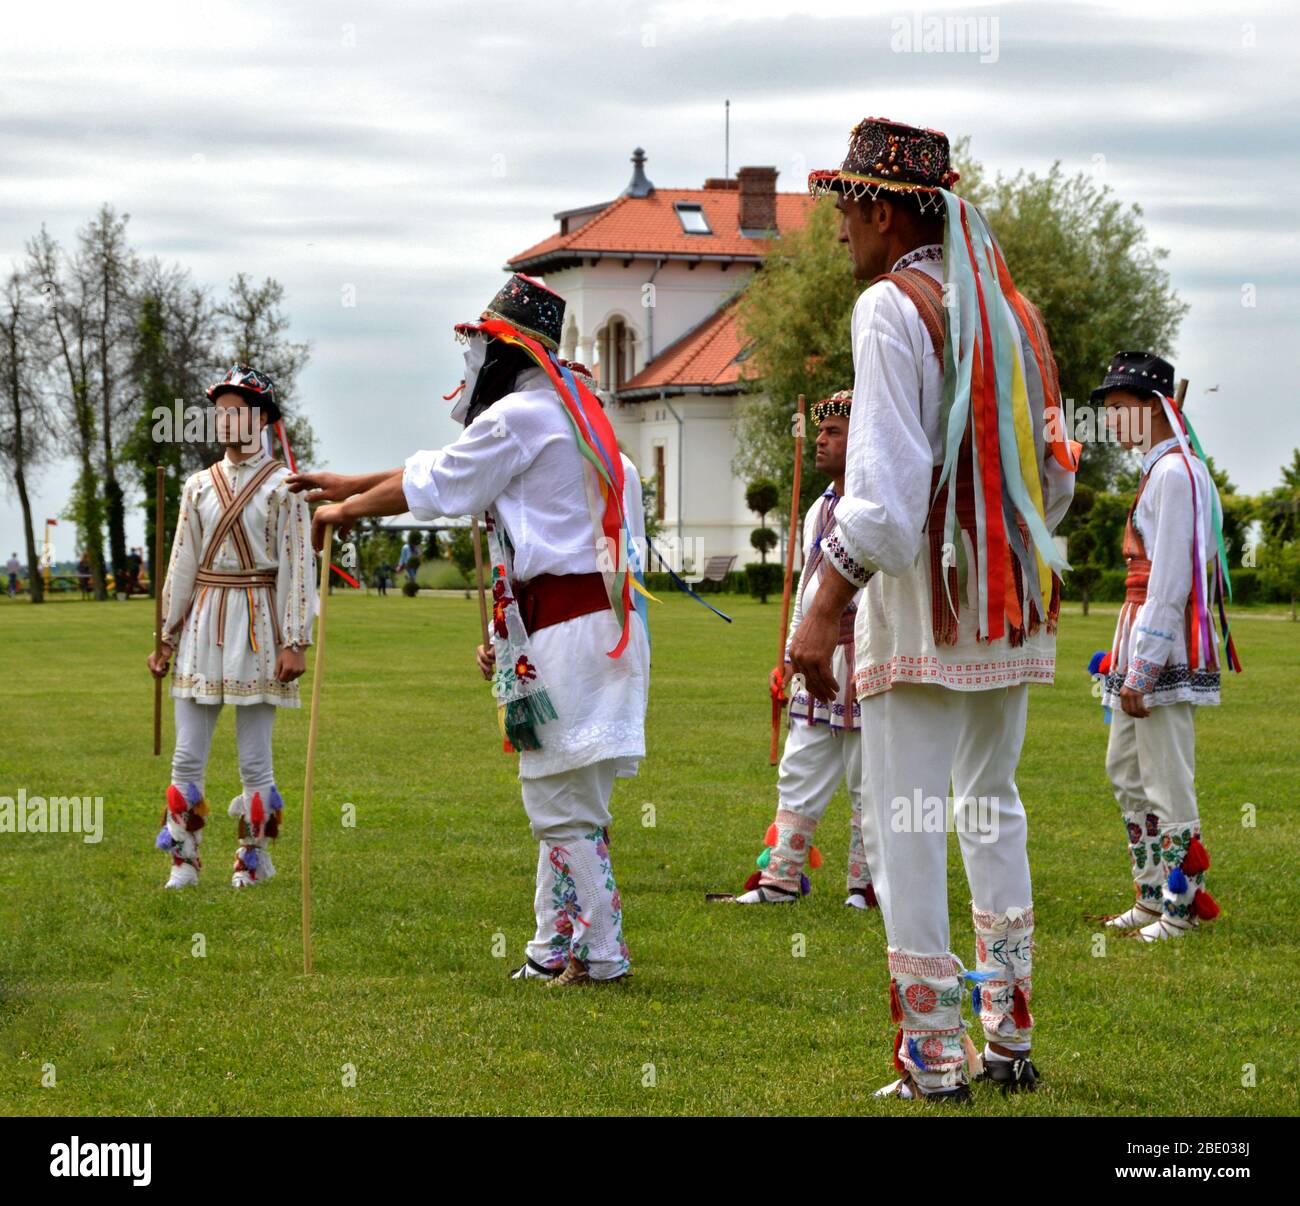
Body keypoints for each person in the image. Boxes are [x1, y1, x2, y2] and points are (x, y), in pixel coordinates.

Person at [790, 117, 1077, 1100]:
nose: (837, 234)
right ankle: (1009, 1033)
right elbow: (1057, 476)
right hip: (1008, 605)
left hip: (919, 607)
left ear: (878, 209)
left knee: (906, 819)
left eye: (842, 210)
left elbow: (882, 499)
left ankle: (933, 1055)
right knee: (991, 806)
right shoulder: (1013, 312)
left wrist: (821, 601)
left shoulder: (888, 306)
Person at [289, 274, 650, 987]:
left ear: (506, 353)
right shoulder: (585, 424)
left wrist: (343, 513)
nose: (469, 364)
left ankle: (600, 954)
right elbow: (446, 469)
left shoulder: (519, 416)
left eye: (478, 347)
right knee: (575, 794)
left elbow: (439, 483)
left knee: (557, 800)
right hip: (606, 630)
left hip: (569, 631)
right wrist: (347, 484)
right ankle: (554, 945)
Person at [146, 364, 316, 890]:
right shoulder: (198, 485)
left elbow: (297, 569)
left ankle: (251, 859)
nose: (224, 421)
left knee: (254, 760)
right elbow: (181, 562)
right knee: (186, 754)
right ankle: (184, 860)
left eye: (235, 411)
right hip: (202, 622)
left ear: (262, 418)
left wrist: (295, 641)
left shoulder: (286, 487)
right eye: (219, 413)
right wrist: (165, 635)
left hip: (258, 624)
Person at [1090, 352, 1234, 942]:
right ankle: (1151, 895)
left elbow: (1173, 575)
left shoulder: (1176, 474)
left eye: (1118, 410)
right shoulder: (1162, 470)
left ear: (1153, 408)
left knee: (1166, 776)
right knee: (1125, 769)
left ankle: (1182, 903)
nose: (1109, 423)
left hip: (1163, 641)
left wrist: (1144, 668)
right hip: (1140, 628)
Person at [731, 389, 875, 908]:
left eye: (833, 433)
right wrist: (790, 655)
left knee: (867, 772)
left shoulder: (874, 506)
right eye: (819, 431)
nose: (819, 440)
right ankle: (781, 879)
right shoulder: (819, 508)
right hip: (816, 654)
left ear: (859, 440)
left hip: (865, 654)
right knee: (801, 764)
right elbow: (808, 592)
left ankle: (867, 886)